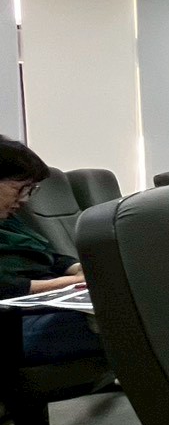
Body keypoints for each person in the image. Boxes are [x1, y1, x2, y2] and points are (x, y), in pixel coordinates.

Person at [0, 136, 104, 363]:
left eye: (30, 190)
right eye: (20, 188)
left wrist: (77, 268)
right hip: (14, 322)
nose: (24, 199)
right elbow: (7, 287)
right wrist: (76, 281)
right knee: (127, 320)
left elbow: (47, 254)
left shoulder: (7, 220)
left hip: (42, 307)